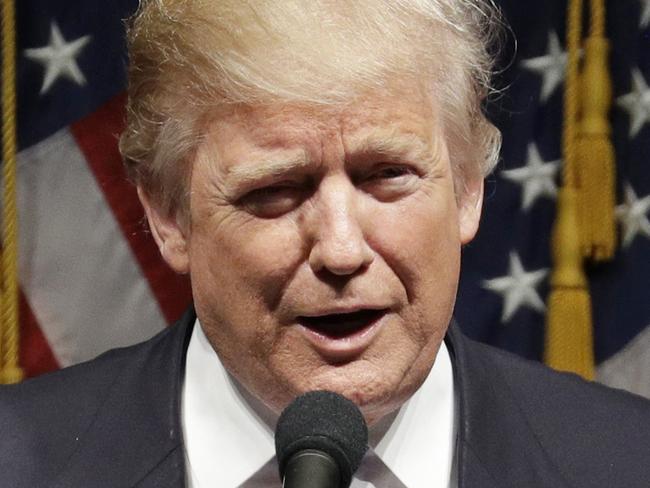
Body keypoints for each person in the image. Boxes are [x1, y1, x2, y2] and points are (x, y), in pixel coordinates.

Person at [2, 0, 650, 487]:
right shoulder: (19, 460)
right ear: (169, 214)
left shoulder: (627, 461)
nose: (341, 251)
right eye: (276, 189)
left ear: (470, 186)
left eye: (387, 175)